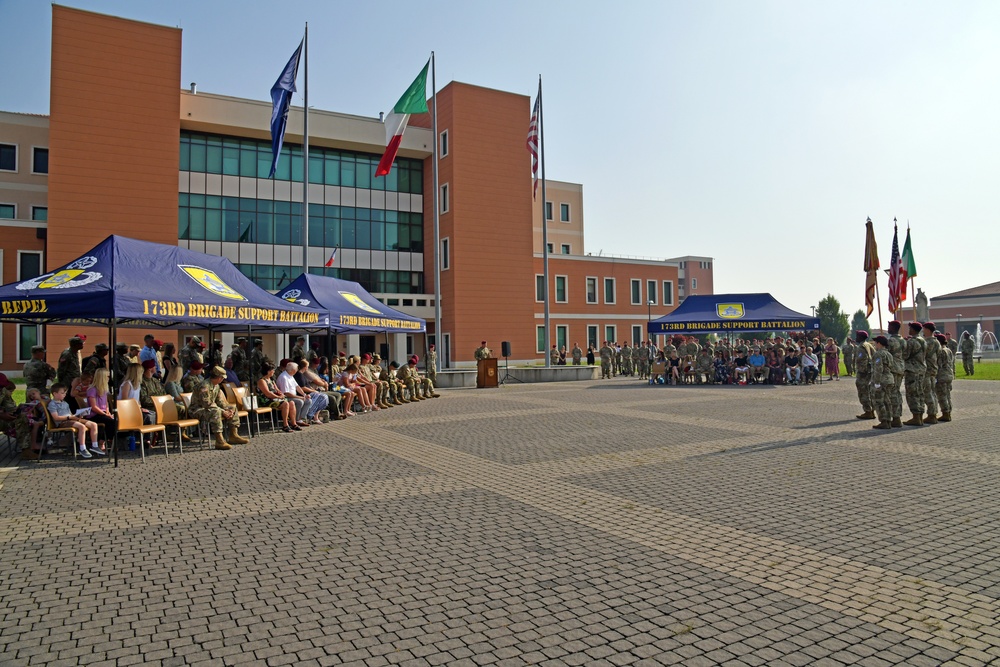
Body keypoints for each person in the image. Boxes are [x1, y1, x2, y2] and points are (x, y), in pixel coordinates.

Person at [189, 366, 248, 449]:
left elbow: (219, 401)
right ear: (219, 377)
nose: (223, 380)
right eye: (222, 378)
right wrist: (222, 411)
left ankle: (233, 435)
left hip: (210, 408)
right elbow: (206, 404)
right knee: (216, 412)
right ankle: (219, 441)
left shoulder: (216, 386)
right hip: (197, 410)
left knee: (232, 408)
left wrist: (227, 410)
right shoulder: (204, 386)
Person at [48, 383, 101, 458]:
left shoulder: (65, 403)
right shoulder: (52, 404)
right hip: (63, 422)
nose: (64, 395)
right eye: (62, 393)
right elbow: (56, 417)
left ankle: (94, 446)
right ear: (55, 394)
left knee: (93, 424)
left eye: (65, 393)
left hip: (70, 419)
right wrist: (70, 417)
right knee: (81, 426)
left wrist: (77, 415)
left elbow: (70, 414)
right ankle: (82, 448)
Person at [257, 361, 296, 432]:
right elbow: (267, 393)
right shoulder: (262, 381)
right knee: (285, 404)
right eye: (273, 370)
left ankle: (293, 423)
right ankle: (285, 425)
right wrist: (278, 397)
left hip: (275, 398)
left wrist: (280, 394)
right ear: (268, 371)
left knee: (292, 403)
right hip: (266, 400)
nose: (274, 371)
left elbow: (277, 389)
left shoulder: (271, 380)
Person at [85, 368, 117, 453]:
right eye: (107, 376)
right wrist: (104, 414)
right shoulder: (92, 390)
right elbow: (94, 407)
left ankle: (110, 440)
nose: (108, 378)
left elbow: (105, 403)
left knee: (117, 420)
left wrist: (107, 411)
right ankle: (102, 441)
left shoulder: (104, 390)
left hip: (103, 413)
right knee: (110, 422)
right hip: (94, 415)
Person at [902, 322, 926, 426]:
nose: (909, 330)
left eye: (910, 328)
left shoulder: (912, 342)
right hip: (921, 369)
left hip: (912, 370)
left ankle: (916, 417)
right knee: (919, 393)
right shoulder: (923, 341)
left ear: (913, 329)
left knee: (912, 394)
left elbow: (905, 355)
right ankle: (920, 416)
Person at [870, 336, 896, 430]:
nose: (874, 345)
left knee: (879, 401)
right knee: (887, 401)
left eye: (875, 343)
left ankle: (884, 421)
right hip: (889, 379)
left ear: (879, 343)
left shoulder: (878, 354)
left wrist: (876, 382)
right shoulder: (888, 354)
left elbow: (878, 368)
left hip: (882, 380)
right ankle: (888, 420)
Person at [276, 361, 311, 426]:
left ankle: (300, 419)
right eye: (297, 369)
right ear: (293, 370)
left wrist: (304, 395)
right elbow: (286, 393)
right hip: (286, 397)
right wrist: (300, 397)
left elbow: (297, 386)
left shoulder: (290, 376)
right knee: (300, 401)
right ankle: (295, 419)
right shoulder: (284, 377)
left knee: (308, 401)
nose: (297, 370)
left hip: (293, 396)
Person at [15, 388, 46, 460]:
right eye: (30, 396)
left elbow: (48, 402)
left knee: (36, 424)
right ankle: (33, 444)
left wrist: (40, 400)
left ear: (38, 392)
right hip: (42, 418)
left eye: (33, 394)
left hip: (49, 417)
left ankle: (35, 444)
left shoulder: (45, 398)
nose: (32, 396)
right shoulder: (33, 402)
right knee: (35, 424)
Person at [885, 321, 906, 428]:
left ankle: (895, 417)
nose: (888, 328)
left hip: (892, 369)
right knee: (896, 392)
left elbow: (886, 355)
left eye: (889, 326)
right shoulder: (903, 340)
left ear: (893, 327)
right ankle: (897, 416)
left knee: (892, 393)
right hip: (901, 368)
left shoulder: (891, 341)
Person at [921, 322, 941, 424]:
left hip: (927, 370)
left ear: (928, 330)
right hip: (933, 369)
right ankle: (934, 412)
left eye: (924, 329)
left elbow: (922, 355)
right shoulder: (936, 342)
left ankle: (931, 415)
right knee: (932, 392)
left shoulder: (927, 342)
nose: (923, 331)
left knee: (927, 392)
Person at [854, 331, 876, 419]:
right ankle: (871, 411)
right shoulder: (869, 345)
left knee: (863, 392)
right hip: (869, 371)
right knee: (869, 391)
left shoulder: (861, 347)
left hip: (864, 373)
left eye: (857, 336)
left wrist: (862, 372)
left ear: (861, 337)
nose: (856, 338)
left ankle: (868, 411)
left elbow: (862, 360)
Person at [934, 333, 955, 422]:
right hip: (949, 374)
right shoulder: (948, 350)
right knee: (947, 395)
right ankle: (948, 412)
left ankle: (945, 413)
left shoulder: (940, 351)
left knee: (941, 395)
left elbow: (939, 364)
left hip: (942, 375)